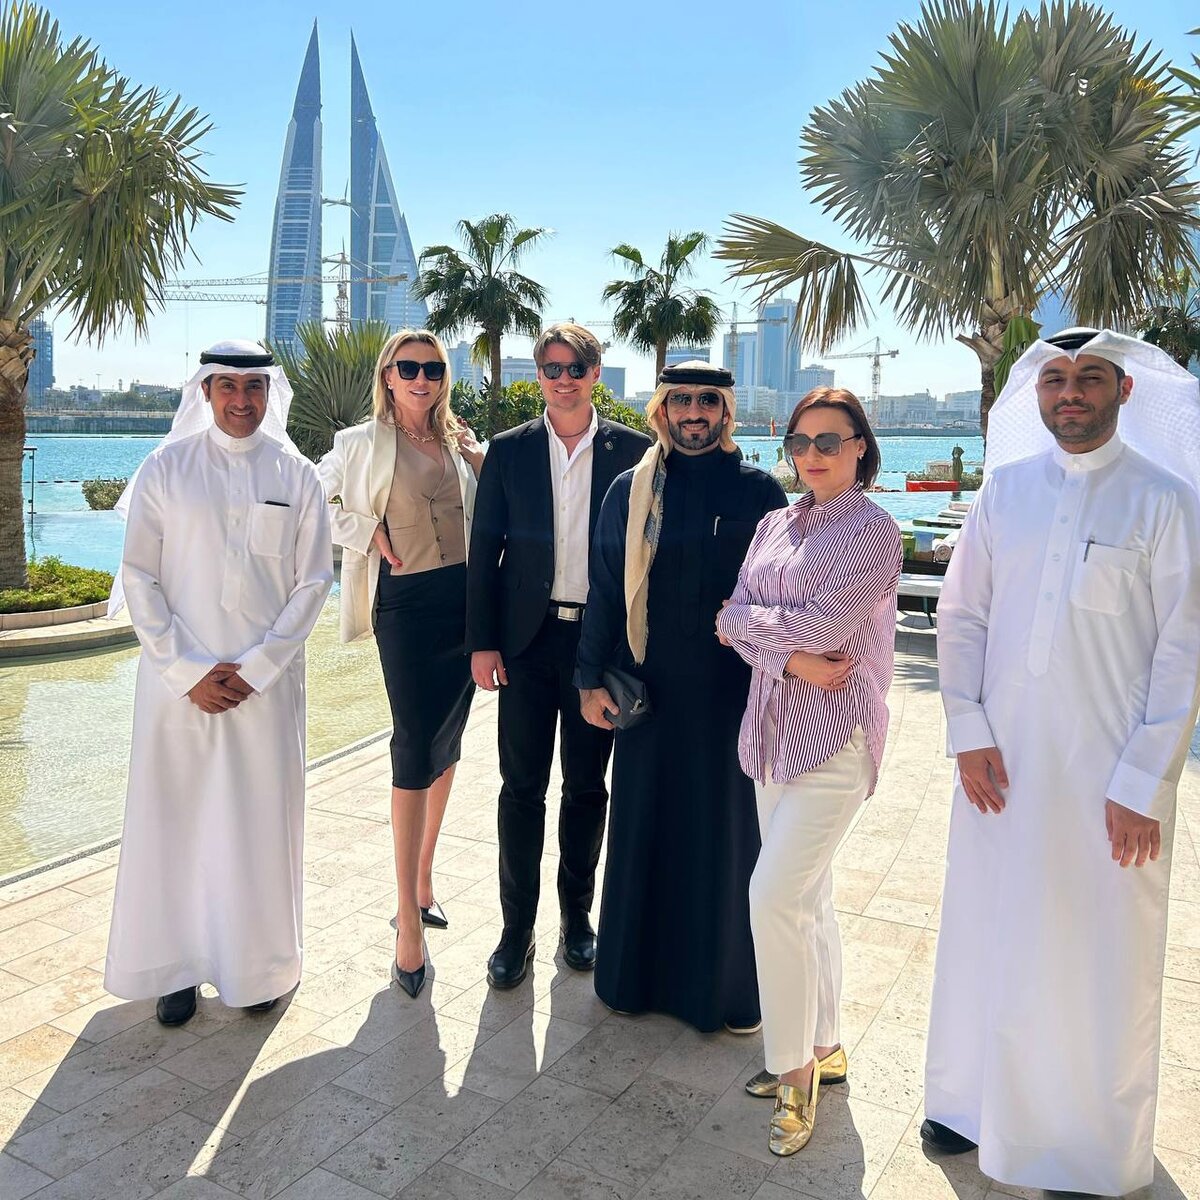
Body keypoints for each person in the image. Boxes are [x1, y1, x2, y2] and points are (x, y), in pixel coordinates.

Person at [923, 329, 1200, 1197]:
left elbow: (1184, 650)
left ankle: (1084, 1146)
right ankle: (967, 1104)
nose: (1069, 393)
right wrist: (967, 727)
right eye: (1054, 379)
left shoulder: (1165, 500)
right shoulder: (1004, 492)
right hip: (999, 768)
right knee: (985, 926)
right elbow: (962, 616)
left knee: (1096, 952)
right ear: (1036, 395)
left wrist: (1143, 783)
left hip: (1107, 779)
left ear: (1124, 390)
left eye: (1089, 378)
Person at [105, 340, 333, 1026]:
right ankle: (174, 969)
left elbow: (313, 583)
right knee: (174, 823)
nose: (241, 400)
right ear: (204, 391)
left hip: (265, 692)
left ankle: (257, 970)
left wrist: (256, 668)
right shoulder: (165, 469)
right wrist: (187, 671)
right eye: (227, 386)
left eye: (253, 387)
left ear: (268, 393)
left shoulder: (296, 476)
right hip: (177, 691)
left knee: (258, 826)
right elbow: (139, 576)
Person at [716, 387, 902, 1157]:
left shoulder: (875, 531)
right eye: (800, 441)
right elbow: (729, 616)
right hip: (771, 734)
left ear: (860, 446)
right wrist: (789, 656)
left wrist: (755, 628)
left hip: (835, 741)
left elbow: (824, 626)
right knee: (809, 899)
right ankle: (824, 1046)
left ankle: (794, 1074)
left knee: (774, 897)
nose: (813, 455)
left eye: (830, 440)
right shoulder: (773, 524)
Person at [574, 361, 786, 1030]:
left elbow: (785, 597)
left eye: (707, 401)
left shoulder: (760, 492)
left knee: (726, 838)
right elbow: (605, 589)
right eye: (681, 400)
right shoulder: (629, 489)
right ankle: (631, 982)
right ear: (662, 410)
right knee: (645, 830)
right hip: (649, 692)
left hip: (732, 696)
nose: (694, 413)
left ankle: (722, 994)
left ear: (726, 411)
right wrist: (587, 680)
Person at [466, 322, 650, 989]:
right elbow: (484, 552)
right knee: (521, 789)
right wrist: (482, 641)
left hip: (596, 646)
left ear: (596, 374)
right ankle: (516, 930)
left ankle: (577, 919)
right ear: (538, 375)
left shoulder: (635, 452)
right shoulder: (508, 450)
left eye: (576, 368)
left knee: (586, 787)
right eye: (551, 368)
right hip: (526, 642)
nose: (563, 379)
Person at [318, 330, 482, 999]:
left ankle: (423, 880)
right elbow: (315, 501)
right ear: (387, 375)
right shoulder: (358, 443)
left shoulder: (459, 440)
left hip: (466, 603)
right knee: (413, 746)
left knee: (446, 746)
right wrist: (364, 531)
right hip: (407, 606)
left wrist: (480, 458)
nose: (421, 379)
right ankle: (406, 923)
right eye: (408, 368)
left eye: (433, 369)